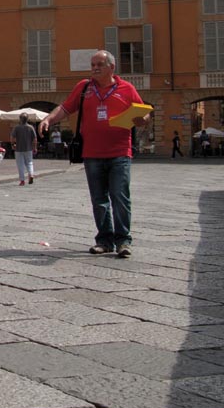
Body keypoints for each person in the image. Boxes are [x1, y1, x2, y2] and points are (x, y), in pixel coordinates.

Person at [40, 50, 150, 259]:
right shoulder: (84, 88)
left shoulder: (127, 88)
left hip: (119, 153)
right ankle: (104, 241)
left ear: (111, 67)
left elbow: (143, 112)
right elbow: (65, 108)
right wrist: (49, 119)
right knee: (99, 199)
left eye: (99, 64)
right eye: (92, 65)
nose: (95, 68)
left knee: (120, 197)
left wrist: (142, 120)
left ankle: (123, 241)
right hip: (92, 153)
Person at [10, 113, 37, 186]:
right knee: (29, 163)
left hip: (18, 149)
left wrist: (12, 145)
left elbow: (12, 137)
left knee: (20, 165)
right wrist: (35, 147)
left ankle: (22, 181)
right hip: (29, 148)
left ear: (20, 119)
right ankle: (31, 174)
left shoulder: (16, 127)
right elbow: (35, 139)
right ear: (27, 119)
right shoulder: (31, 127)